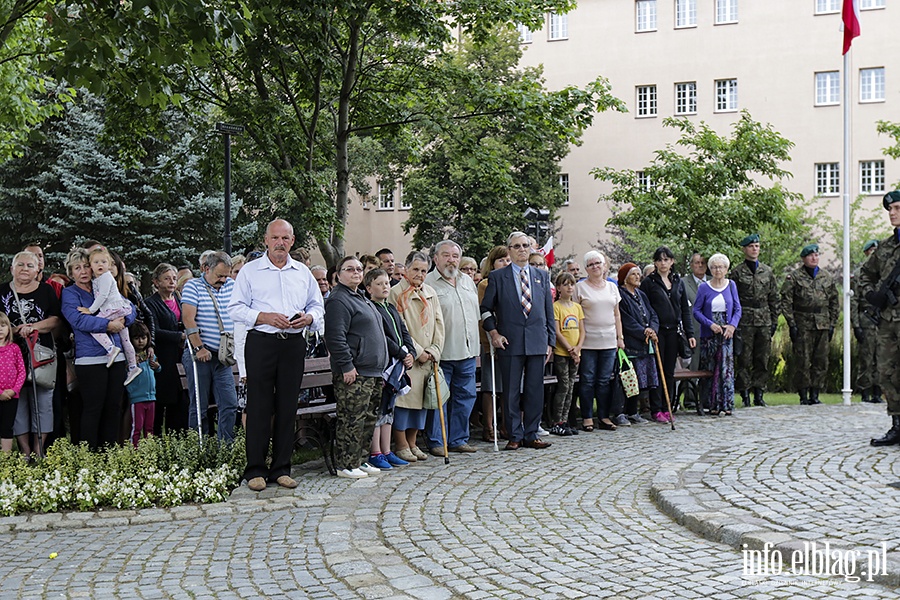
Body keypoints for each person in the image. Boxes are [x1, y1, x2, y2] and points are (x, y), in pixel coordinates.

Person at [228, 219, 325, 492]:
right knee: (259, 407)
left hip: (293, 344)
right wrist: (263, 316)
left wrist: (309, 317)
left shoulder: (302, 272)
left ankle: (282, 468)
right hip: (261, 342)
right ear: (266, 240)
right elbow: (235, 309)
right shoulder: (250, 271)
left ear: (292, 241)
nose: (280, 243)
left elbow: (318, 306)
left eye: (285, 238)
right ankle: (255, 470)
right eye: (275, 238)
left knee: (287, 406)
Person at [480, 231, 555, 450]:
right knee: (511, 390)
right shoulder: (497, 277)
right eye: (517, 246)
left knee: (534, 389)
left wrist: (550, 341)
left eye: (525, 245)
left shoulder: (541, 276)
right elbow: (485, 309)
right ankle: (514, 434)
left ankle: (531, 433)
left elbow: (548, 312)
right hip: (510, 341)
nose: (522, 249)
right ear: (509, 250)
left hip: (537, 341)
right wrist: (494, 333)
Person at [61, 248, 136, 450]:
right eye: (77, 268)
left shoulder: (102, 282)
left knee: (113, 407)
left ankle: (108, 453)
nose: (84, 271)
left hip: (117, 357)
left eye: (86, 266)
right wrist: (108, 326)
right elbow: (78, 320)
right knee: (93, 408)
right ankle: (90, 454)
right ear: (71, 272)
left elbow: (128, 307)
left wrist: (124, 319)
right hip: (90, 359)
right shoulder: (70, 293)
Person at [324, 257, 390, 478]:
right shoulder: (338, 300)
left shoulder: (361, 297)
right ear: (339, 274)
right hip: (355, 371)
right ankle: (346, 464)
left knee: (368, 418)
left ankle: (361, 459)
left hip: (373, 371)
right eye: (349, 269)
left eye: (359, 269)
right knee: (352, 419)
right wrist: (346, 365)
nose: (355, 272)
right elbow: (335, 337)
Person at [425, 240, 481, 454]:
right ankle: (438, 441)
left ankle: (458, 438)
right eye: (446, 255)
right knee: (439, 397)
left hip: (467, 351)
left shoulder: (467, 280)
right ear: (435, 258)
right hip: (443, 351)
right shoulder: (429, 282)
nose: (451, 260)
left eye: (455, 256)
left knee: (466, 397)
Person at [389, 251, 444, 461]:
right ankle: (401, 443)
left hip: (429, 357)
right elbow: (399, 327)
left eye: (423, 270)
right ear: (406, 269)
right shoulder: (396, 293)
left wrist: (434, 350)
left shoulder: (430, 292)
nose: (420, 274)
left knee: (422, 403)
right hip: (409, 357)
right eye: (415, 269)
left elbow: (439, 323)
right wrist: (418, 351)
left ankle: (413, 442)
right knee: (404, 403)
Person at [182, 251, 238, 442]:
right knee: (199, 406)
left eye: (226, 275)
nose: (223, 280)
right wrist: (199, 347)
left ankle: (226, 449)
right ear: (206, 269)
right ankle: (198, 448)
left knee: (229, 403)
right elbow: (188, 318)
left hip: (223, 355)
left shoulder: (231, 285)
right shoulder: (193, 286)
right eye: (219, 275)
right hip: (201, 354)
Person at [860, 191, 900, 445]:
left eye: (896, 208)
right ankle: (897, 424)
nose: (892, 213)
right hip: (887, 320)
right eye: (890, 209)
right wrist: (872, 294)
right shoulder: (885, 247)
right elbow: (865, 274)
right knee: (887, 372)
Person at [365, 269, 414, 470]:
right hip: (384, 365)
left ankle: (387, 450)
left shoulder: (391, 307)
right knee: (379, 407)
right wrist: (401, 354)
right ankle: (376, 452)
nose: (385, 287)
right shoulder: (371, 308)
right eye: (379, 283)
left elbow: (403, 331)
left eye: (387, 283)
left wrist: (410, 351)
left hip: (398, 365)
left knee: (389, 409)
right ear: (369, 288)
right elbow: (383, 337)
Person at [780, 243, 839, 405]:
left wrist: (832, 323)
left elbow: (834, 301)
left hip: (822, 323)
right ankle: (804, 394)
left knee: (821, 360)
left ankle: (815, 393)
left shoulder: (826, 277)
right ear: (804, 258)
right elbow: (786, 301)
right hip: (803, 323)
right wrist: (792, 324)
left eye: (816, 255)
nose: (814, 258)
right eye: (810, 255)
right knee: (803, 360)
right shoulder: (794, 277)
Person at [641, 246, 695, 421]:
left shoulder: (678, 281)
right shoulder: (649, 282)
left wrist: (690, 333)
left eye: (666, 259)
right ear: (655, 263)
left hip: (674, 331)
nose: (663, 263)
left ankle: (668, 406)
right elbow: (645, 308)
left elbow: (685, 310)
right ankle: (656, 409)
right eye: (659, 260)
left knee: (670, 371)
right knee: (658, 369)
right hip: (657, 332)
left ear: (672, 261)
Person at [575, 250, 625, 430]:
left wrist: (620, 337)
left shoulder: (612, 287)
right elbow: (575, 315)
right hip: (587, 341)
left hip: (609, 341)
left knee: (604, 380)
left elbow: (617, 314)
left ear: (604, 266)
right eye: (591, 264)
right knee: (587, 379)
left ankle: (603, 416)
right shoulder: (580, 287)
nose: (595, 267)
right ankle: (587, 417)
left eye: (598, 263)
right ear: (586, 268)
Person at [76, 247, 142, 386]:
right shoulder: (98, 279)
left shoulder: (105, 277)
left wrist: (90, 309)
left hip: (112, 309)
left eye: (104, 262)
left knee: (96, 327)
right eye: (96, 262)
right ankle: (132, 367)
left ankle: (111, 349)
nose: (100, 265)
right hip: (118, 309)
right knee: (125, 340)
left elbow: (103, 296)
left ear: (109, 264)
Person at [731, 234, 779, 408]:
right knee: (744, 358)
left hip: (764, 318)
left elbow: (774, 297)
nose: (754, 249)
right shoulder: (737, 272)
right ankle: (744, 394)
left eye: (757, 246)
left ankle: (759, 393)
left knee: (762, 358)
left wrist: (774, 320)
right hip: (744, 319)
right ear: (744, 249)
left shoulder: (767, 271)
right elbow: (733, 299)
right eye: (751, 246)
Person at [693, 254, 742, 415]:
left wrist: (732, 326)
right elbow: (696, 311)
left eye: (721, 267)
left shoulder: (731, 285)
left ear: (726, 269)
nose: (717, 270)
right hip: (710, 332)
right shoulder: (704, 287)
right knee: (710, 368)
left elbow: (737, 309)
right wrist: (710, 324)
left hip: (726, 333)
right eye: (714, 267)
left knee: (725, 368)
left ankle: (726, 404)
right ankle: (711, 404)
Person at [143, 263, 187, 434]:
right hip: (162, 356)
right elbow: (154, 330)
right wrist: (179, 336)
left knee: (180, 399)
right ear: (156, 282)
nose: (171, 282)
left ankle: (176, 435)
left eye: (174, 278)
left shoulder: (179, 299)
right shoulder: (150, 303)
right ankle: (157, 436)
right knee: (162, 398)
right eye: (167, 278)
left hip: (180, 356)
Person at [476, 245, 511, 442]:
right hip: (490, 339)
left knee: (507, 386)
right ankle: (489, 426)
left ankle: (506, 423)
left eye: (507, 260)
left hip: (510, 339)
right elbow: (484, 314)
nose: (505, 263)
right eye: (501, 260)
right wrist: (490, 341)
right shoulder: (485, 284)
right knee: (491, 386)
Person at [617, 263, 660, 419]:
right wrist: (643, 332)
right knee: (629, 378)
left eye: (638, 274)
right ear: (625, 278)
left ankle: (633, 412)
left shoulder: (641, 295)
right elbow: (626, 321)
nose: (637, 277)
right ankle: (623, 411)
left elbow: (653, 314)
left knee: (639, 380)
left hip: (645, 342)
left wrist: (652, 329)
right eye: (633, 274)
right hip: (631, 344)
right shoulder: (621, 295)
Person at [550, 272, 584, 436]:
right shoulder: (556, 307)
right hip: (562, 353)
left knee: (571, 387)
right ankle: (557, 421)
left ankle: (566, 420)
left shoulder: (577, 307)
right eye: (565, 284)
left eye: (572, 284)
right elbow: (557, 331)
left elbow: (582, 330)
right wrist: (570, 349)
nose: (570, 287)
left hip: (575, 353)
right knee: (563, 386)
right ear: (558, 287)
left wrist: (578, 348)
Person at [852, 240, 881, 403]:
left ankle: (877, 392)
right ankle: (865, 392)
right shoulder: (859, 274)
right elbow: (854, 301)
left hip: (882, 320)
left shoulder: (884, 272)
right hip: (866, 320)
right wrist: (856, 325)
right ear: (866, 254)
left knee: (882, 358)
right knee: (866, 359)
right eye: (871, 251)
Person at [125, 322, 160, 447]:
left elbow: (157, 368)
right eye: (136, 338)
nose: (140, 341)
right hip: (137, 397)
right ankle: (134, 449)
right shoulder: (129, 357)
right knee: (137, 427)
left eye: (143, 338)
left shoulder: (150, 354)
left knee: (149, 427)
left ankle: (148, 449)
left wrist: (157, 366)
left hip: (151, 397)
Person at [0, 313, 26, 453]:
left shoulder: (14, 348)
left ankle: (6, 457)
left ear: (9, 328)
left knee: (7, 426)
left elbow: (21, 371)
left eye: (3, 326)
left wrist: (14, 390)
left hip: (11, 395)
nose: (0, 329)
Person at [682, 253, 708, 373]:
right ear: (691, 265)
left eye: (703, 263)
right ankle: (691, 391)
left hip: (712, 331)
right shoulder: (683, 282)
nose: (700, 265)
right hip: (693, 331)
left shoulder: (714, 281)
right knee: (693, 368)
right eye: (697, 263)